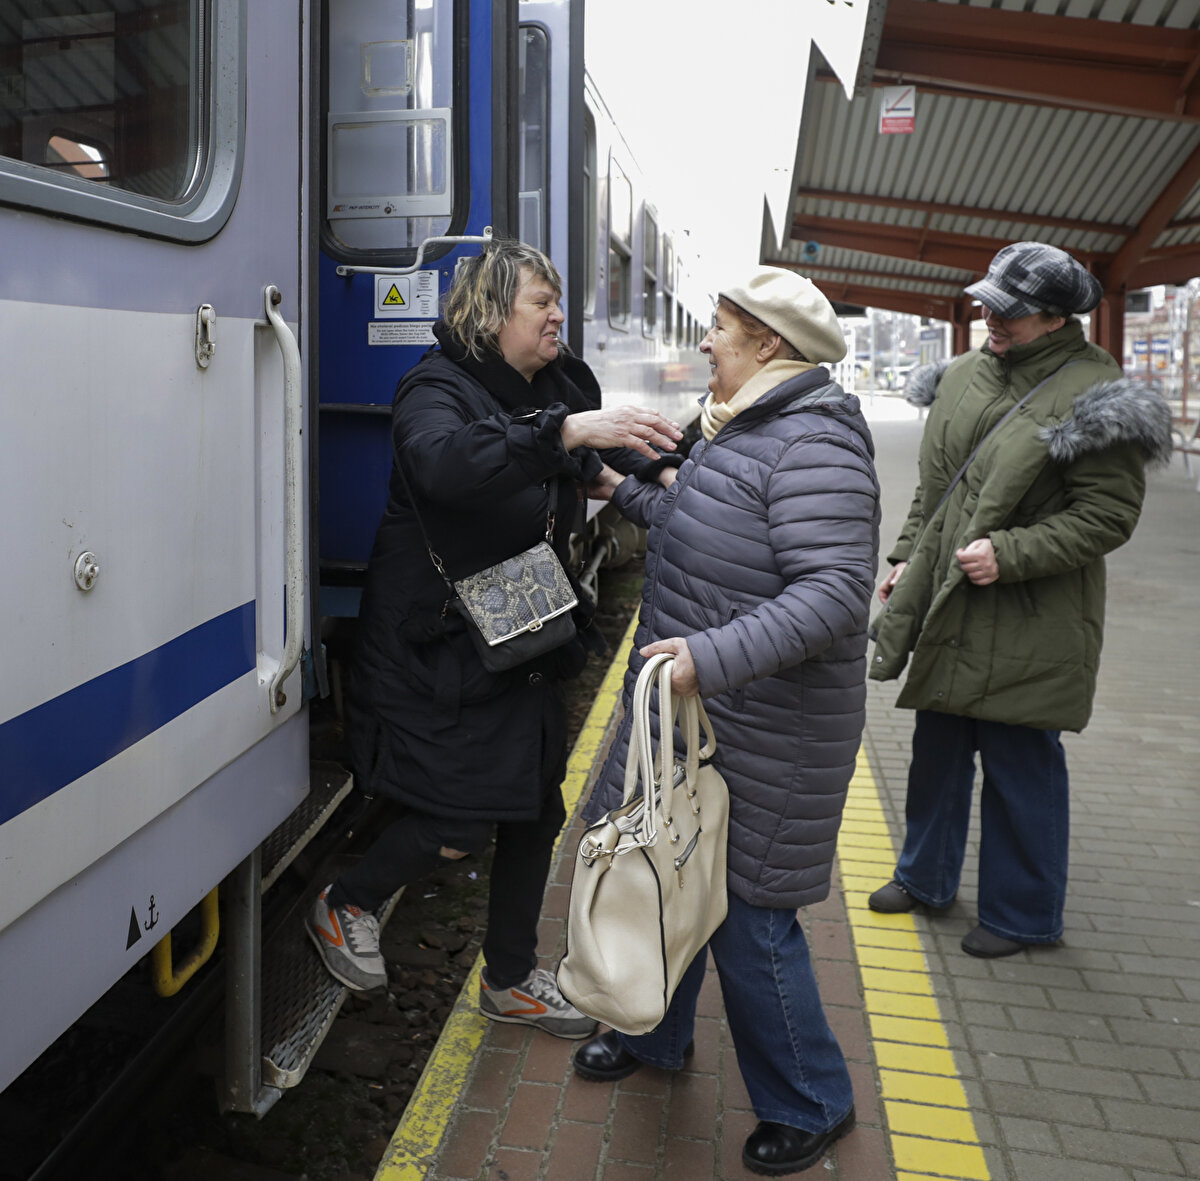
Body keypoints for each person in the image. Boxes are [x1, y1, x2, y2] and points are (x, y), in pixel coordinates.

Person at [305, 239, 683, 1038]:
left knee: (534, 805)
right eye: (540, 303)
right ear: (489, 314)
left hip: (521, 620)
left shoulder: (554, 382)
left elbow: (604, 444)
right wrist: (565, 437)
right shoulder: (433, 390)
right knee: (456, 817)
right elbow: (446, 464)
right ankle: (348, 902)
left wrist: (671, 470)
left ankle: (509, 979)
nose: (557, 315)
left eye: (556, 300)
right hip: (439, 638)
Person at [575, 266, 880, 1176]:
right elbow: (697, 519)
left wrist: (709, 656)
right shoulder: (749, 424)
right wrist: (615, 491)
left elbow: (834, 595)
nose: (704, 342)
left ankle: (812, 1100)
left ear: (769, 346)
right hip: (713, 718)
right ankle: (655, 1037)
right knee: (674, 875)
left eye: (719, 328)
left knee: (751, 922)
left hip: (769, 732)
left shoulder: (812, 444)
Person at [867, 241, 1172, 958]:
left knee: (1019, 762)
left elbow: (1107, 516)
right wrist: (908, 556)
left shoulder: (1097, 394)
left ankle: (1024, 913)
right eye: (987, 303)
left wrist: (1010, 553)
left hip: (1030, 611)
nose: (989, 318)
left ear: (1058, 318)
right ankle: (924, 876)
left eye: (1008, 311)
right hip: (950, 596)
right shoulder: (966, 375)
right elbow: (936, 487)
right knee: (936, 749)